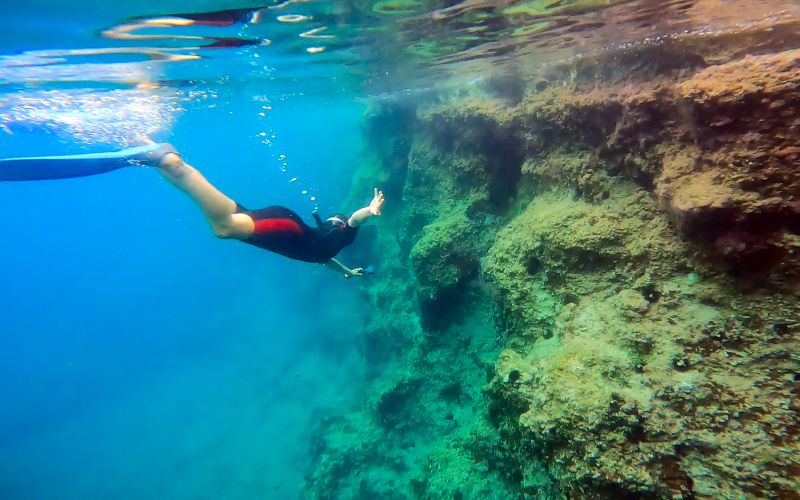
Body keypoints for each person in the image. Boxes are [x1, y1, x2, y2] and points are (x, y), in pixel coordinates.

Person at [0, 142, 384, 276]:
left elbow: (326, 258)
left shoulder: (328, 249)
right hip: (287, 229)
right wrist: (370, 208)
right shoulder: (339, 236)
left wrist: (346, 271)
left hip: (285, 220)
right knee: (225, 229)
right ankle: (169, 162)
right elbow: (354, 220)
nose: (338, 221)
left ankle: (160, 163)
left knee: (232, 216)